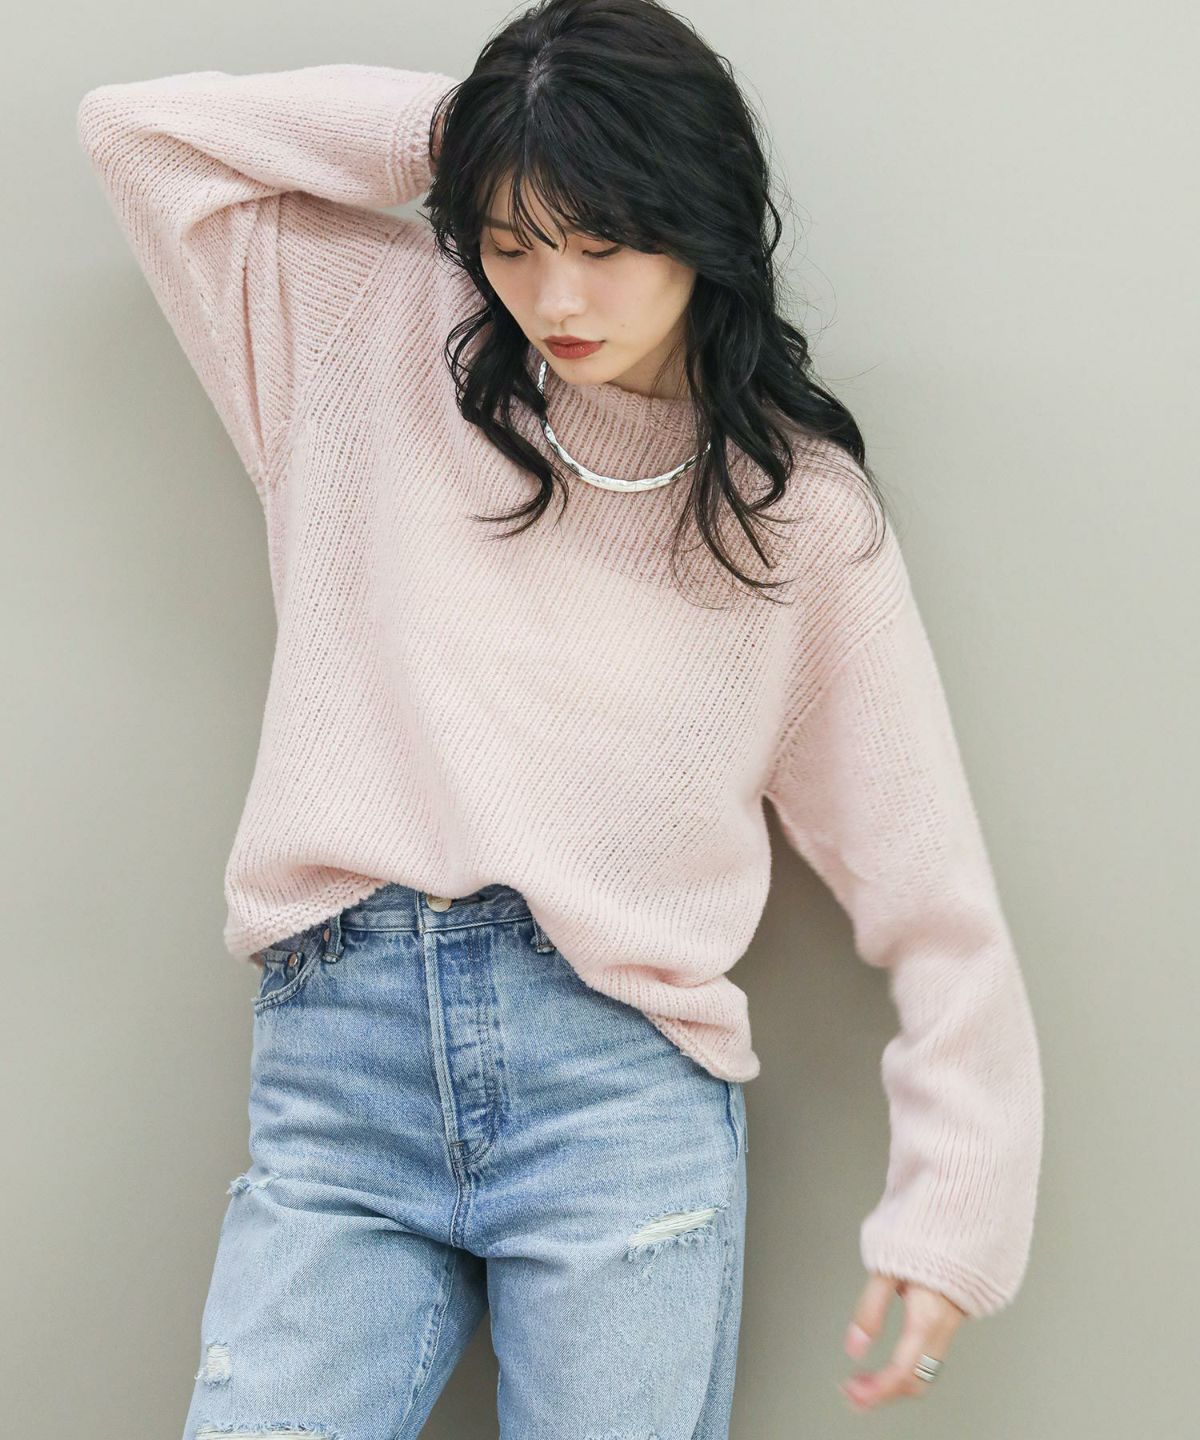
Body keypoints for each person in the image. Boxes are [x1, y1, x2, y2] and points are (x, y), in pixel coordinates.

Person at [74, 0, 1043, 1432]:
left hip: (618, 1096)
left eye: (604, 242)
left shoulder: (794, 518)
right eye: (513, 243)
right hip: (341, 1072)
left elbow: (929, 889)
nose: (556, 297)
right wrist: (485, 129)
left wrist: (956, 1203)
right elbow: (138, 136)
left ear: (699, 223)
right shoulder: (368, 336)